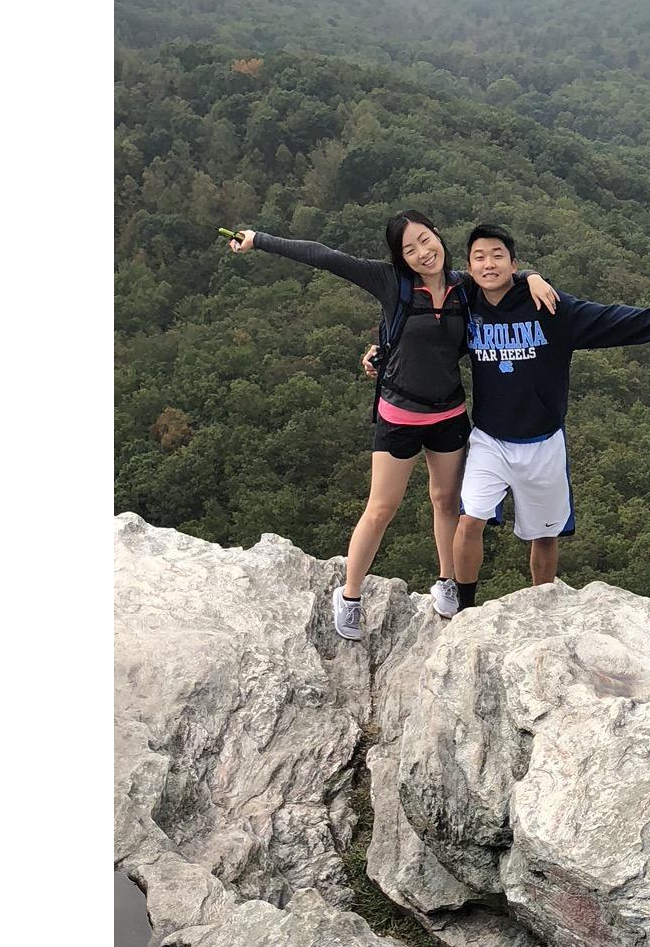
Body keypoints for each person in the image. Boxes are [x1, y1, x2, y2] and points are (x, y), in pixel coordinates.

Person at [226, 216, 558, 637]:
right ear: (400, 258)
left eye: (426, 240)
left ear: (438, 236)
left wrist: (532, 277)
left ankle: (446, 581)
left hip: (449, 414)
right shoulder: (391, 283)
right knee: (381, 508)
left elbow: (496, 273)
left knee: (446, 502)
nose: (423, 253)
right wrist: (259, 239)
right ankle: (349, 595)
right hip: (400, 415)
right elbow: (326, 257)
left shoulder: (463, 287)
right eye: (410, 249)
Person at [444, 222, 650, 603]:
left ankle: (542, 604)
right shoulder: (465, 305)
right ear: (469, 266)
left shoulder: (548, 306)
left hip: (543, 442)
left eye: (497, 256)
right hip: (490, 439)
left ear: (513, 263)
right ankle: (463, 606)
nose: (488, 264)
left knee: (545, 534)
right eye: (479, 257)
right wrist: (383, 356)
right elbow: (425, 338)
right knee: (470, 519)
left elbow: (611, 320)